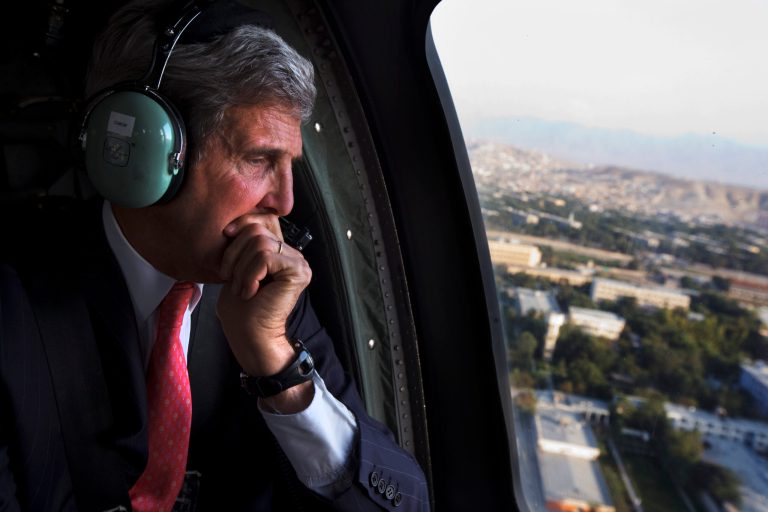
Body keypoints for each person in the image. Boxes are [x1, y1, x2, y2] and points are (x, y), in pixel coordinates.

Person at [0, 0, 429, 510]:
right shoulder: (13, 302)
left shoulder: (272, 302)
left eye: (289, 165)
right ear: (148, 151)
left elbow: (401, 503)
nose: (285, 203)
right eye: (259, 159)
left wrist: (279, 370)